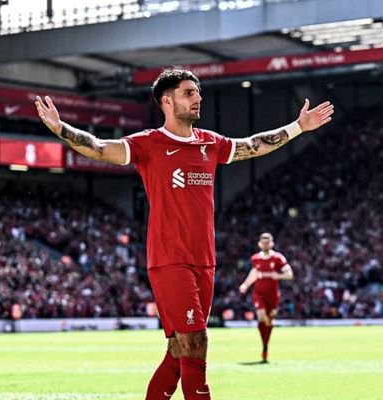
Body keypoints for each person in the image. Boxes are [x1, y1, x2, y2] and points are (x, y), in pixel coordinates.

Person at [35, 68, 334, 399]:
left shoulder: (211, 142)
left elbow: (252, 145)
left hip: (204, 260)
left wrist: (298, 127)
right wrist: (61, 129)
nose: (198, 99)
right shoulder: (149, 143)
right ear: (167, 100)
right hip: (169, 259)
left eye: (198, 93)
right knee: (197, 341)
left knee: (179, 352)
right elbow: (101, 147)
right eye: (189, 93)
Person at [239, 232, 293, 363]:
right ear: (259, 244)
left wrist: (278, 276)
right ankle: (264, 346)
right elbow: (254, 272)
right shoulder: (255, 259)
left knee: (268, 322)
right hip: (259, 293)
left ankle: (265, 347)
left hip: (273, 296)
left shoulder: (278, 258)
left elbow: (289, 274)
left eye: (268, 241)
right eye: (263, 241)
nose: (265, 243)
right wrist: (245, 284)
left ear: (272, 243)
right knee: (262, 316)